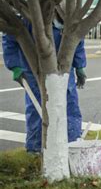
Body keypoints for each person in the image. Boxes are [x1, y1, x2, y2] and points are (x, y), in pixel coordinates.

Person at [2, 13, 87, 153]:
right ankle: (35, 147)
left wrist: (79, 66)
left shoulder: (69, 17)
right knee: (37, 106)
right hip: (33, 69)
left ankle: (72, 143)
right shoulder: (29, 18)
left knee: (69, 106)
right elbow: (10, 37)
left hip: (64, 69)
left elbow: (77, 40)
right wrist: (15, 66)